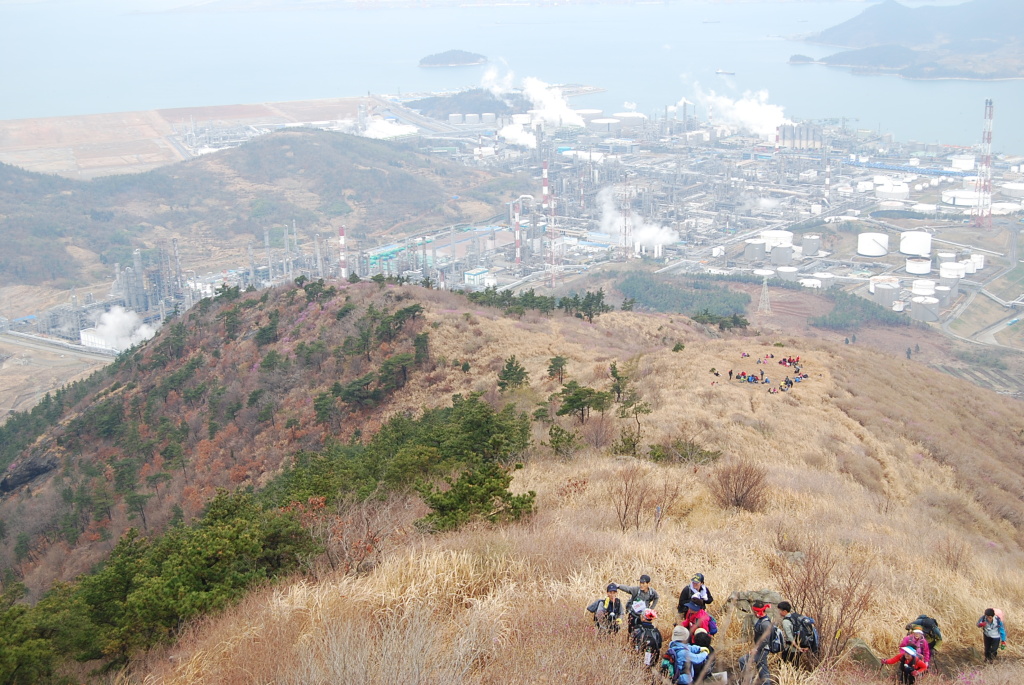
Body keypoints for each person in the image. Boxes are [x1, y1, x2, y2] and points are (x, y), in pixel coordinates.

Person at [738, 600, 773, 685]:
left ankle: (748, 681)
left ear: (758, 611)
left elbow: (765, 640)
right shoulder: (763, 620)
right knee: (763, 669)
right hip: (762, 649)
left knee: (743, 660)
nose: (753, 613)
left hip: (762, 650)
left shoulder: (765, 624)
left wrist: (756, 649)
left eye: (754, 611)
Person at [778, 601, 807, 666]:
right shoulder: (795, 617)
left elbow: (790, 637)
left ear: (784, 611)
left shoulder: (786, 621)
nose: (779, 612)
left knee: (783, 664)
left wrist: (797, 647)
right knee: (796, 664)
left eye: (780, 610)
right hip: (801, 646)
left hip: (792, 648)